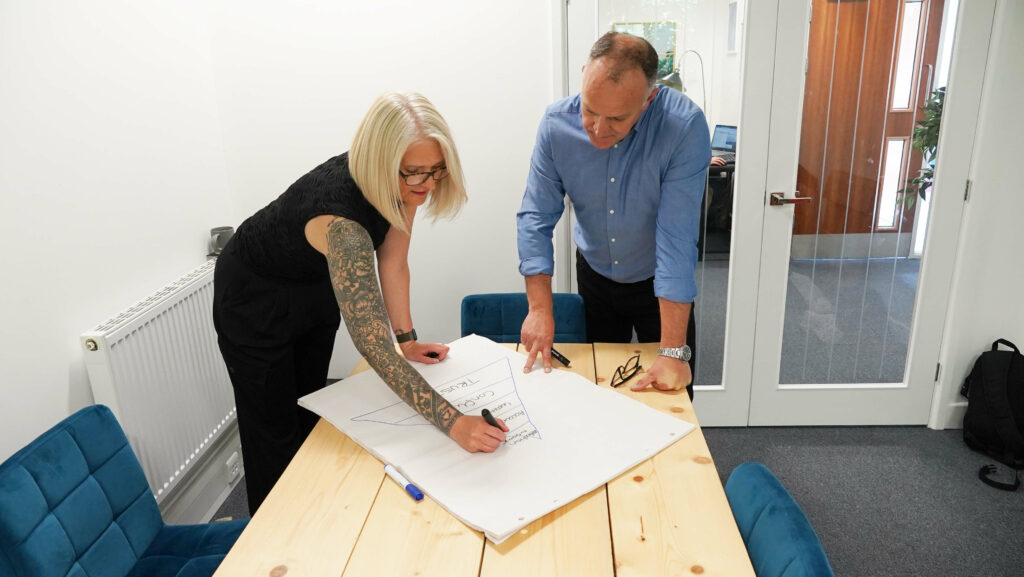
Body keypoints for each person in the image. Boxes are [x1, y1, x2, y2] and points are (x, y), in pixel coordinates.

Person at [213, 92, 508, 514]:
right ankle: (273, 537)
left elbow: (394, 263)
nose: (426, 186)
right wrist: (454, 422)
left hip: (314, 282)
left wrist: (407, 340)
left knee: (309, 408)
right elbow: (373, 347)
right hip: (253, 296)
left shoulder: (399, 186)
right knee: (272, 431)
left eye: (436, 171)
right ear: (382, 162)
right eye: (414, 174)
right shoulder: (344, 228)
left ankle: (314, 513)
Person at [517, 32, 711, 398]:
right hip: (594, 275)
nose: (598, 129)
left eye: (617, 119)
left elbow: (676, 240)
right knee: (602, 390)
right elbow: (535, 217)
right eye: (590, 110)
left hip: (659, 281)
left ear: (648, 99)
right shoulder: (556, 125)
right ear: (583, 73)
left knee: (672, 389)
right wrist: (540, 308)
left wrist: (672, 351)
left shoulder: (683, 128)